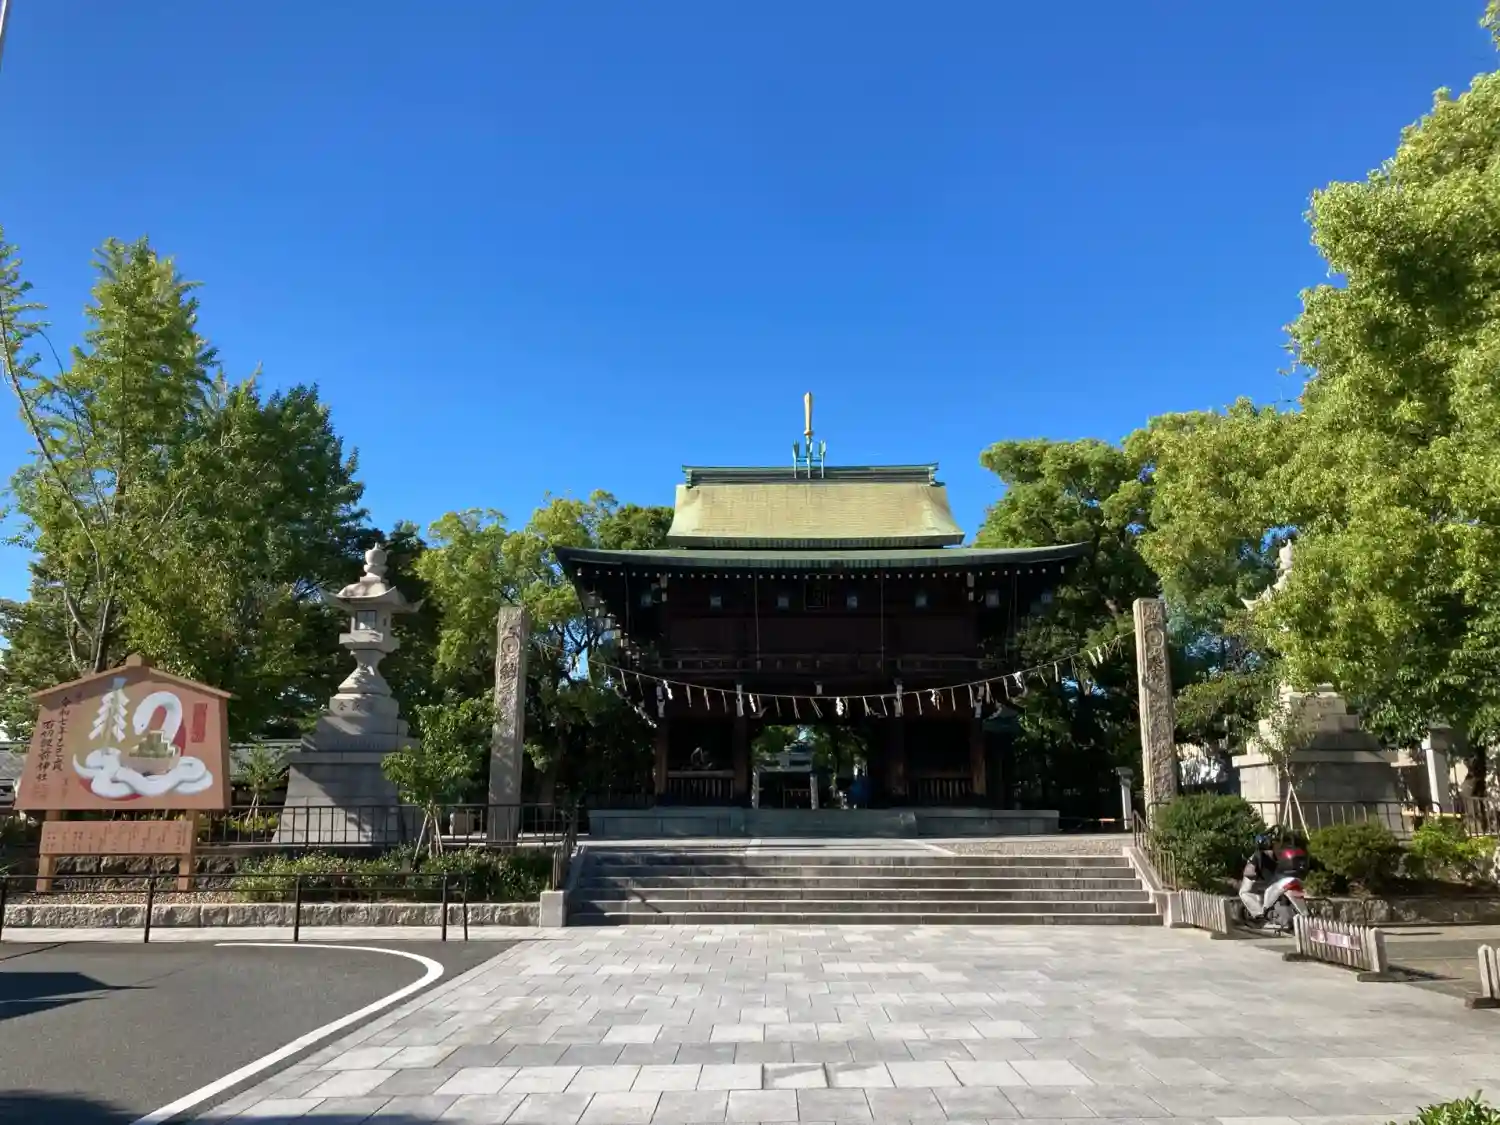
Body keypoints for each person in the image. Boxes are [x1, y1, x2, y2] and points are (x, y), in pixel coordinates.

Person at [1239, 834, 1279, 923]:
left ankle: (1259, 913)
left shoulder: (1258, 854)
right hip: (1275, 881)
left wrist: (1252, 875)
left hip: (1263, 881)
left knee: (1244, 892)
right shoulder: (1276, 854)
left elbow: (1249, 872)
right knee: (1258, 892)